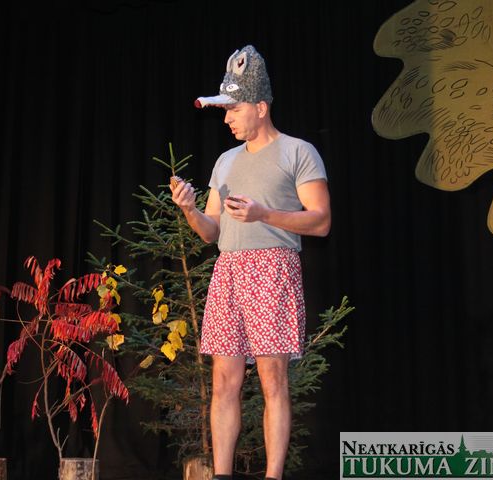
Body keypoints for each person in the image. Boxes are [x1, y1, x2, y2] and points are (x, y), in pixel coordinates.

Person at [170, 45, 331, 480]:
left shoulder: (298, 152)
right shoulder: (225, 162)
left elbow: (321, 221)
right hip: (228, 271)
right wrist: (189, 209)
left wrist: (264, 214)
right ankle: (222, 475)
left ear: (261, 107)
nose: (227, 118)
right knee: (224, 381)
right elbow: (211, 232)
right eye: (224, 110)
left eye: (234, 109)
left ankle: (272, 475)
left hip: (272, 268)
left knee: (272, 380)